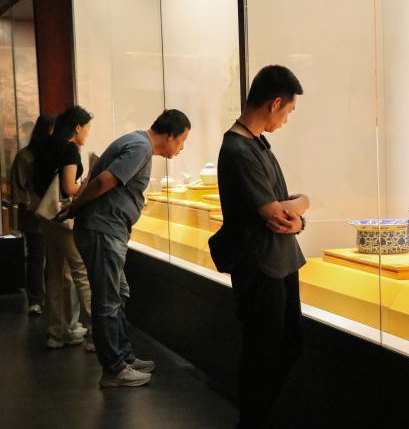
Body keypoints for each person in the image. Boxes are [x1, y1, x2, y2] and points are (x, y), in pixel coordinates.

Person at [62, 109, 191, 388]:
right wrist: (75, 207)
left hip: (108, 230)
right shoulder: (141, 148)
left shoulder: (136, 143)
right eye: (182, 141)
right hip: (103, 230)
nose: (181, 148)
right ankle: (114, 369)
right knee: (108, 299)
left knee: (118, 293)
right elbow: (102, 182)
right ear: (170, 135)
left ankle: (123, 357)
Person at [210, 65, 309, 428]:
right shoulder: (238, 149)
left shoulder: (257, 144)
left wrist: (300, 211)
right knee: (263, 349)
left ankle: (259, 416)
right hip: (260, 264)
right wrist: (299, 208)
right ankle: (253, 420)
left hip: (279, 261)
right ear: (275, 103)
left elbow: (291, 206)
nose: (286, 119)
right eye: (288, 111)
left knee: (286, 343)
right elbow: (275, 212)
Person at [33, 106, 94, 350]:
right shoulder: (69, 149)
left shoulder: (45, 145)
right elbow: (69, 188)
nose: (88, 133)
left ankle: (58, 331)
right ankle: (97, 333)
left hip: (45, 216)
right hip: (62, 217)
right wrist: (87, 185)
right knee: (81, 271)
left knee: (57, 272)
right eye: (87, 128)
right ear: (77, 127)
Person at [9, 114, 55, 316]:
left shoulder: (50, 155)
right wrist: (31, 205)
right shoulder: (25, 156)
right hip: (34, 214)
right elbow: (19, 189)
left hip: (52, 213)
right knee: (37, 257)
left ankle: (49, 299)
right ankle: (36, 300)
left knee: (50, 259)